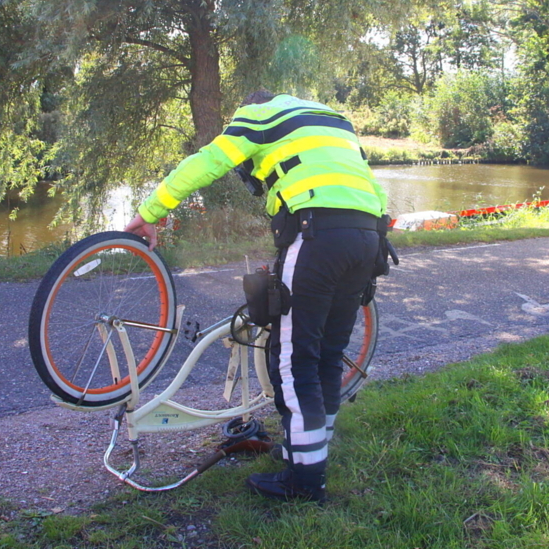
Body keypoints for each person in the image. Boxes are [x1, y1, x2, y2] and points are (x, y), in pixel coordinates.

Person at [124, 89, 387, 502]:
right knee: (329, 355)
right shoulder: (332, 118)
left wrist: (152, 211)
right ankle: (308, 455)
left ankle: (304, 483)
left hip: (316, 231)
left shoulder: (258, 115)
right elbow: (367, 182)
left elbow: (207, 162)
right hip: (368, 235)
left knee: (295, 359)